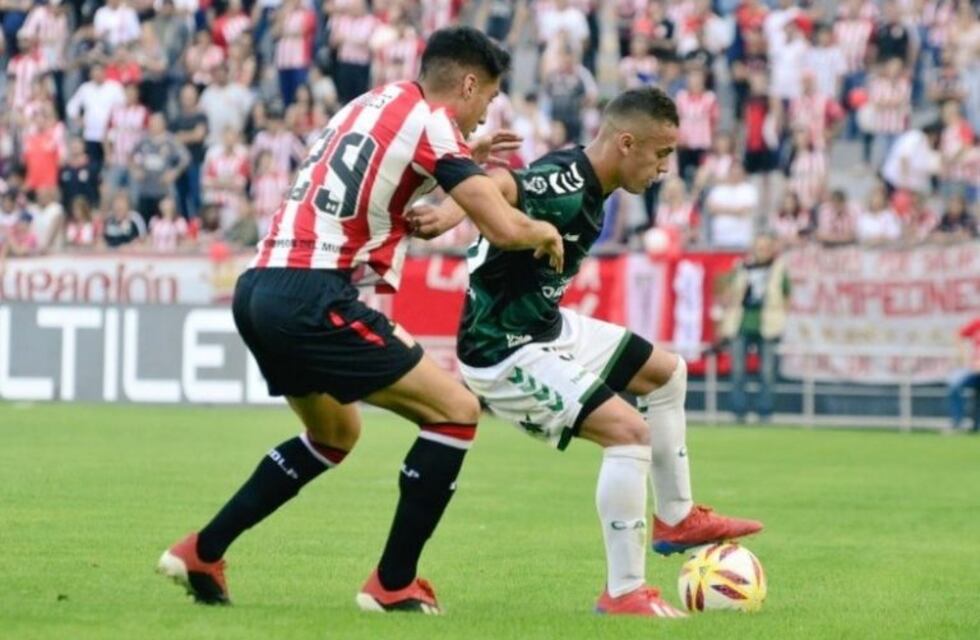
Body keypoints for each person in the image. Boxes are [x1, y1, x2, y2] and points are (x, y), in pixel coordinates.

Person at [157, 26, 564, 614]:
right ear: (469, 84)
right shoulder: (432, 121)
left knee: (336, 434)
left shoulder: (371, 103)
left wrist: (462, 161)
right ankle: (393, 582)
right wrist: (542, 231)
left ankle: (203, 550)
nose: (483, 116)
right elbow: (502, 227)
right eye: (488, 99)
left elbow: (378, 173)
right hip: (310, 295)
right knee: (455, 410)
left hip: (258, 288)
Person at [410, 87, 762, 617]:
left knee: (666, 373)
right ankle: (624, 593)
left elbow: (512, 181)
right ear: (626, 143)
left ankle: (676, 517)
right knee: (629, 432)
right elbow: (503, 184)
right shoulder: (568, 185)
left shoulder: (584, 174)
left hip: (544, 327)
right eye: (662, 153)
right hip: (502, 349)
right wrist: (446, 211)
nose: (666, 168)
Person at [719, 234, 791, 423]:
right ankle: (738, 411)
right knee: (737, 370)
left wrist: (781, 317)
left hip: (768, 323)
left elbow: (786, 296)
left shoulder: (778, 269)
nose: (762, 251)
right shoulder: (741, 267)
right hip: (741, 321)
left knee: (767, 371)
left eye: (766, 247)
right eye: (759, 247)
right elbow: (728, 290)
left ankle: (765, 411)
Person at [947, 316, 980, 432]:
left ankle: (976, 425)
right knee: (955, 385)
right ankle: (957, 422)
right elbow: (958, 334)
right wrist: (964, 356)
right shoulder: (977, 323)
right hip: (974, 371)